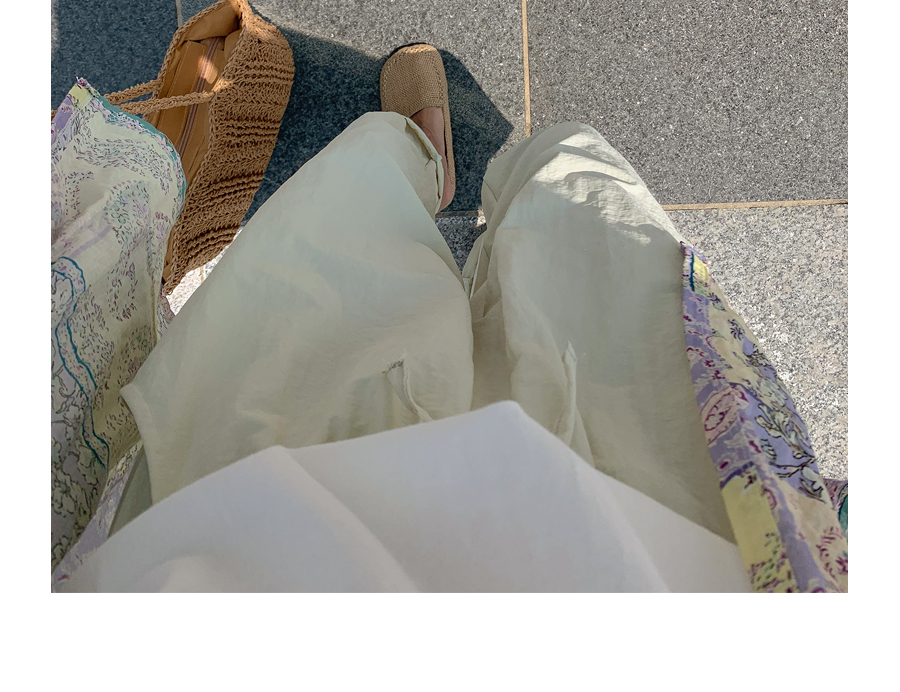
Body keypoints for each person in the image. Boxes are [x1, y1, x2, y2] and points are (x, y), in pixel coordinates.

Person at [52, 45, 848, 593]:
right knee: (584, 247)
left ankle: (418, 168)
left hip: (255, 554)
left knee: (327, 293)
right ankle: (441, 182)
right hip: (647, 566)